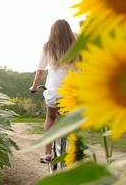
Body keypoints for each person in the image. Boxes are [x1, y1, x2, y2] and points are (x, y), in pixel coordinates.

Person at [29, 19, 78, 164]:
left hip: (54, 92)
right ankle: (74, 151)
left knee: (51, 118)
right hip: (72, 92)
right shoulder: (77, 47)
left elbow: (40, 71)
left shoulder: (48, 47)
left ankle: (47, 153)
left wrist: (34, 87)